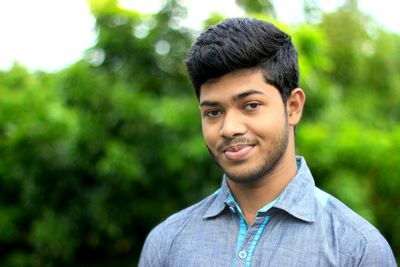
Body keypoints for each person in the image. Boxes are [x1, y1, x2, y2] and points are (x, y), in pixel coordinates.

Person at [139, 17, 396, 266]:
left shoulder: (356, 249)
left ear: (293, 107)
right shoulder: (166, 243)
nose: (229, 128)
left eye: (251, 105)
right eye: (213, 112)